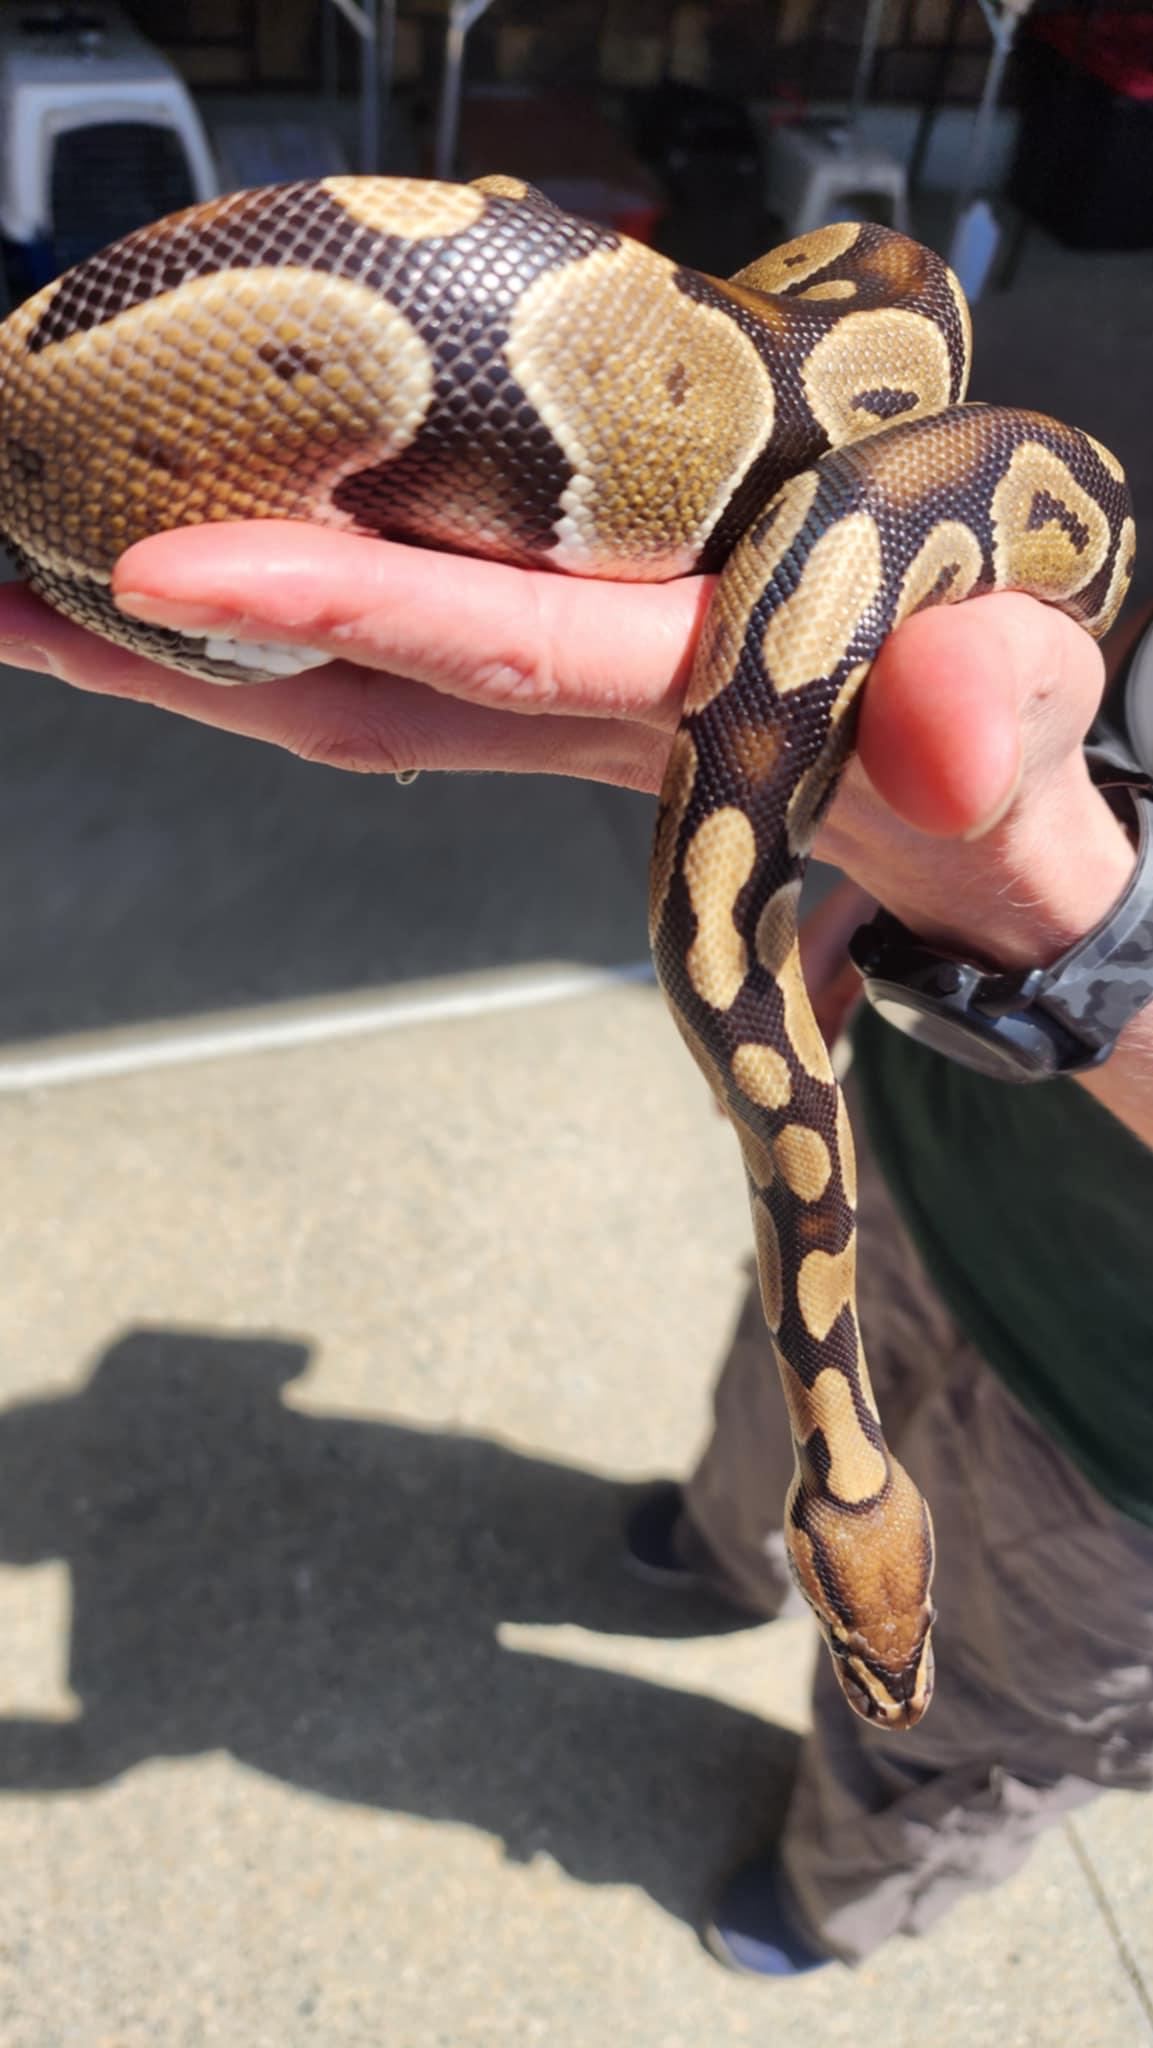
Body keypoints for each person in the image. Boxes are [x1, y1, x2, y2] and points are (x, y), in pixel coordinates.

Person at [2, 521, 1152, 1975]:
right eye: (872, 1636)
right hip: (929, 1163)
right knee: (776, 1397)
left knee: (981, 1714)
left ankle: (833, 1900)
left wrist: (1032, 904)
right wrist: (885, 861)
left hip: (1122, 1456)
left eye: (875, 1642)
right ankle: (723, 1547)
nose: (878, 1661)